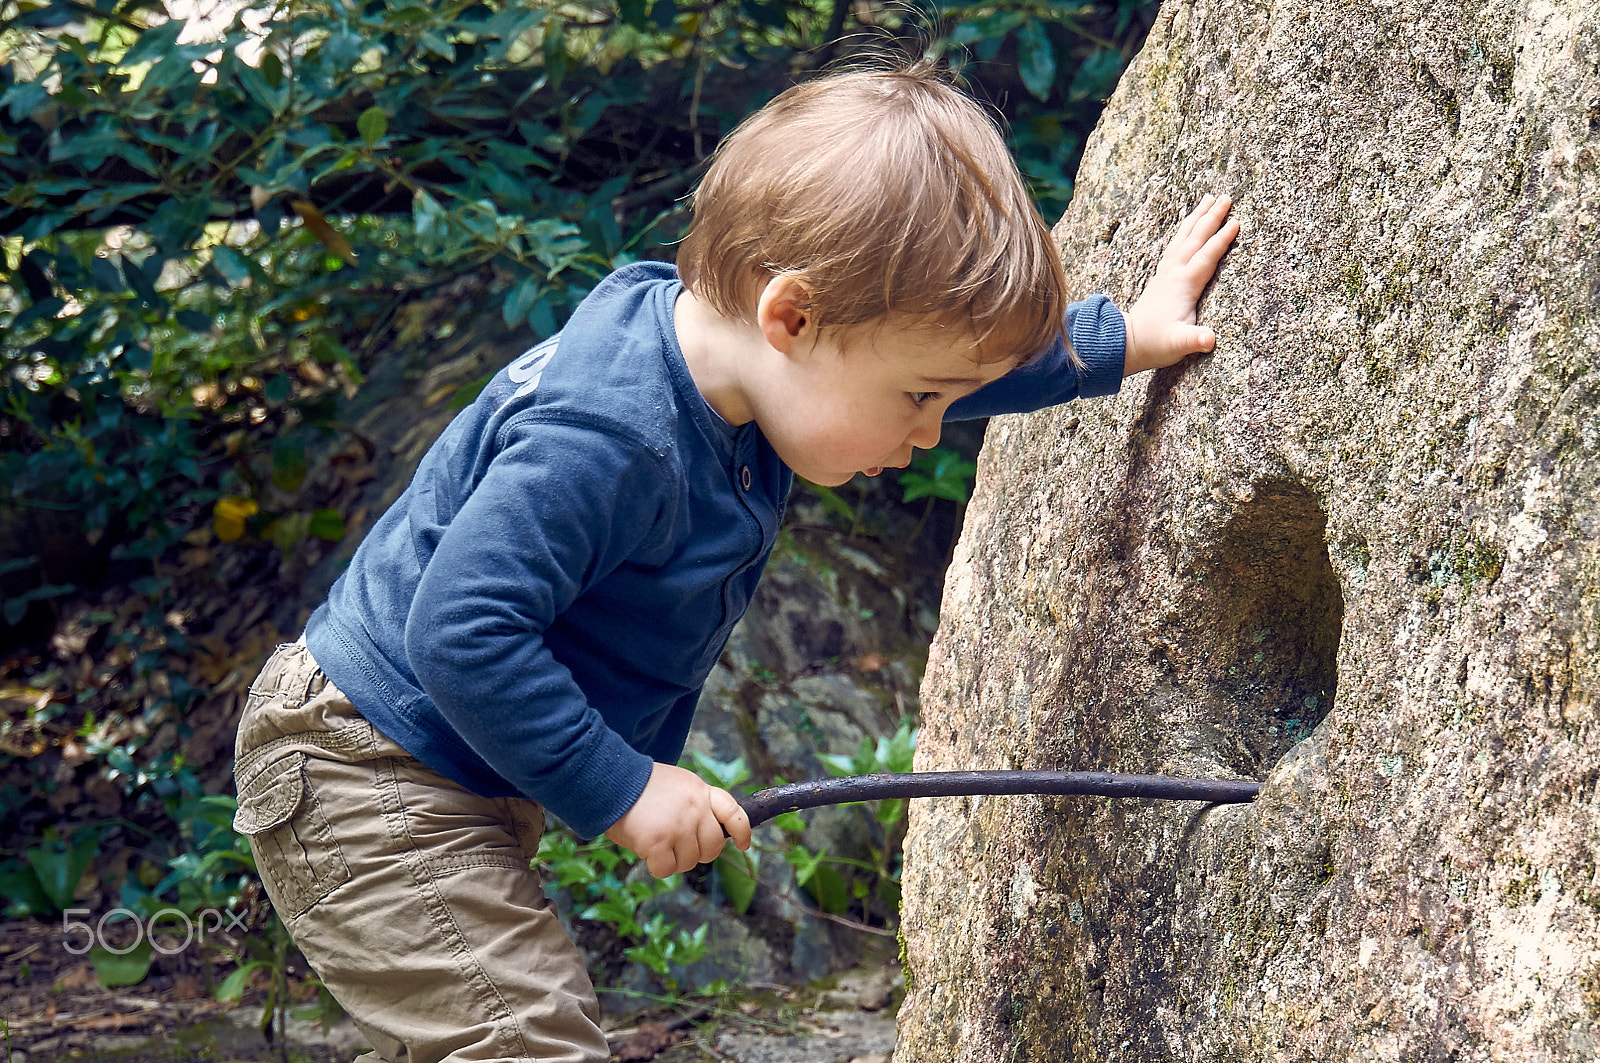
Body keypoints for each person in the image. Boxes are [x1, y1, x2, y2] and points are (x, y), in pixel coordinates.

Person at [231, 61, 1238, 1063]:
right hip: (362, 765)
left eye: (939, 401)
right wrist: (620, 787)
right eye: (918, 401)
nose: (932, 431)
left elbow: (914, 361)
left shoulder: (745, 368)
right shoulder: (613, 436)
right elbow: (456, 630)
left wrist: (1119, 340)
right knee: (525, 1041)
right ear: (790, 315)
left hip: (441, 760)